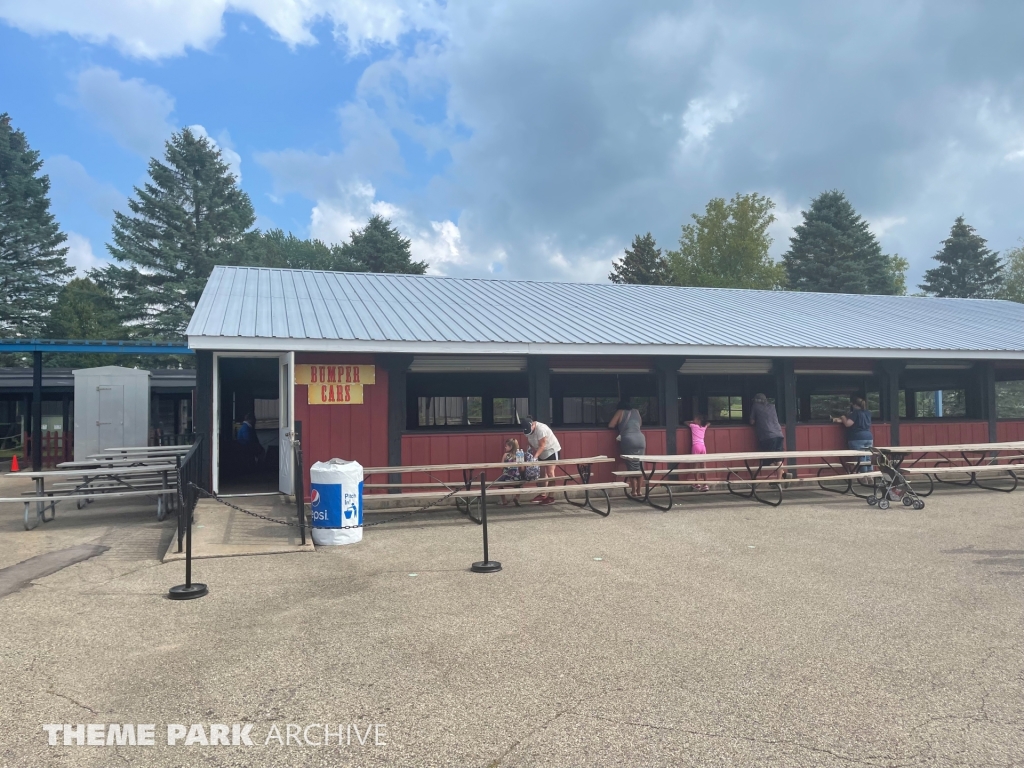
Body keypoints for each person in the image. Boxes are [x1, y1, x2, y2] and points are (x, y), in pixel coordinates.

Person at [608, 399, 646, 497]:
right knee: (640, 465)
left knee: (631, 466)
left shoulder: (620, 412)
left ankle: (633, 491)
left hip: (629, 439)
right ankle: (639, 491)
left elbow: (611, 425)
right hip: (640, 438)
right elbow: (640, 424)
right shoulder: (636, 412)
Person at [523, 417, 562, 505]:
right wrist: (528, 452)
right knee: (542, 473)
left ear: (532, 425)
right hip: (540, 452)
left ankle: (551, 497)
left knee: (550, 473)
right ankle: (543, 494)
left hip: (551, 450)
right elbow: (529, 442)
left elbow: (542, 446)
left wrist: (534, 458)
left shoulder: (541, 429)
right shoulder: (527, 430)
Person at [833, 397, 873, 473]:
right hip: (869, 437)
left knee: (861, 458)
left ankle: (864, 476)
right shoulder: (868, 413)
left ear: (855, 405)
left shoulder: (855, 413)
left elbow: (848, 424)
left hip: (857, 437)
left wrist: (843, 417)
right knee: (868, 457)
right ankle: (870, 474)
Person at [749, 393, 784, 479]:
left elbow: (752, 422)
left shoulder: (756, 406)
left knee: (766, 461)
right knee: (778, 459)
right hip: (779, 434)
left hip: (767, 436)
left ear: (756, 400)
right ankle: (780, 479)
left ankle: (782, 474)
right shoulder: (772, 406)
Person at [495, 438, 540, 505]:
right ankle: (517, 498)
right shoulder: (519, 455)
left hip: (506, 478)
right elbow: (522, 469)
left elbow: (501, 467)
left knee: (499, 484)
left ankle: (504, 500)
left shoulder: (505, 455)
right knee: (520, 484)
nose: (505, 447)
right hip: (516, 477)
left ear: (511, 447)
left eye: (506, 446)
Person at [685, 414, 709, 492]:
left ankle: (697, 483)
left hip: (696, 446)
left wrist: (692, 422)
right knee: (703, 466)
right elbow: (708, 423)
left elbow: (685, 422)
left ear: (698, 420)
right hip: (703, 446)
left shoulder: (693, 426)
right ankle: (705, 484)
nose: (693, 420)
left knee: (695, 466)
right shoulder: (704, 427)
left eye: (695, 419)